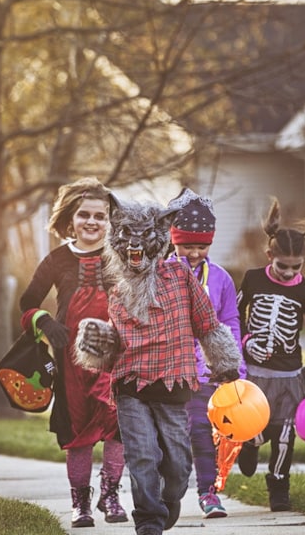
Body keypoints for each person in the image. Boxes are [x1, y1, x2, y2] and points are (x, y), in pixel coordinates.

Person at [72, 195, 242, 535]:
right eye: (127, 241)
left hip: (174, 381)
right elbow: (116, 343)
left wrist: (225, 364)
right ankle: (148, 521)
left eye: (142, 240)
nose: (135, 249)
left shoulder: (179, 275)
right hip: (131, 386)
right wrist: (97, 341)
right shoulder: (116, 285)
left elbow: (206, 323)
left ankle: (169, 500)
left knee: (178, 464)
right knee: (143, 456)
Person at [18, 177, 127, 528]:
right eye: (84, 215)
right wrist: (45, 322)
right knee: (76, 432)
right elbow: (27, 302)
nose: (92, 222)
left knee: (117, 427)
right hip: (70, 361)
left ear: (111, 221)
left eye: (100, 216)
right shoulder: (57, 259)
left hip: (116, 357)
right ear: (70, 220)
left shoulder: (122, 255)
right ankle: (80, 503)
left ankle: (111, 495)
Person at [235, 197, 305, 512]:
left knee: (285, 433)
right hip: (255, 374)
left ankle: (278, 484)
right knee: (255, 427)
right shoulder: (252, 279)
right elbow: (234, 316)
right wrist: (246, 342)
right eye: (282, 266)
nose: (289, 272)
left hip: (289, 375)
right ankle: (249, 445)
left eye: (296, 267)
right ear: (269, 255)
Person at [165, 188, 245, 519]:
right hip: (166, 372)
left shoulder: (221, 279)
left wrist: (234, 367)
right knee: (168, 440)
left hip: (204, 374)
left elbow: (230, 322)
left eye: (202, 245)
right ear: (173, 241)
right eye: (187, 245)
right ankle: (166, 492)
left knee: (201, 432)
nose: (195, 252)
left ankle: (208, 493)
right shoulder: (160, 273)